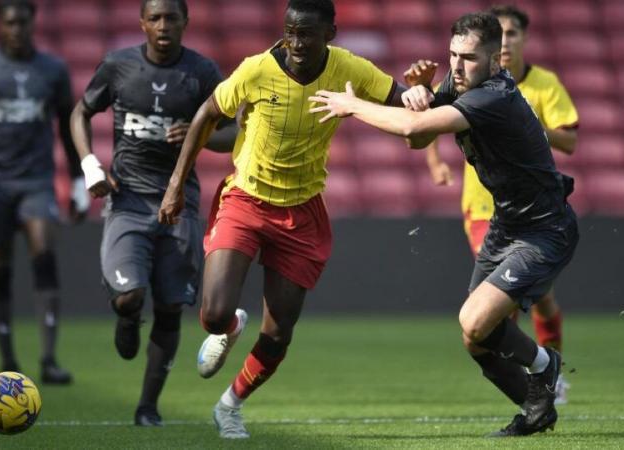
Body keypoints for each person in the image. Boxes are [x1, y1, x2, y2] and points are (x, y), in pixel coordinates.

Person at [158, 0, 434, 439]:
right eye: (290, 32)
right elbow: (208, 115)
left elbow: (402, 102)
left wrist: (421, 94)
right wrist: (175, 184)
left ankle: (230, 405)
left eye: (307, 33)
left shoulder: (349, 68)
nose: (297, 43)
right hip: (246, 198)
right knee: (212, 314)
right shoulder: (255, 70)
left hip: (301, 209)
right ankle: (228, 327)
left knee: (279, 332)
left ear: (331, 33)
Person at [309, 12, 578, 437]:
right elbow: (418, 138)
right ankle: (536, 408)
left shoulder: (494, 96)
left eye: (468, 58)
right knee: (476, 338)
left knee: (474, 321)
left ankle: (546, 366)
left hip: (544, 230)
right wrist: (421, 95)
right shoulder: (459, 83)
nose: (456, 65)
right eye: (452, 54)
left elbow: (414, 127)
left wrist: (354, 105)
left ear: (495, 62)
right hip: (507, 224)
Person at [70, 0, 236, 426]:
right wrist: (91, 166)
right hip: (128, 201)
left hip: (179, 203)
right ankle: (126, 316)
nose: (164, 26)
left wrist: (200, 136)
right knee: (131, 297)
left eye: (172, 18)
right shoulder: (119, 66)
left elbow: (236, 129)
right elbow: (80, 113)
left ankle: (148, 407)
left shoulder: (201, 73)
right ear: (143, 23)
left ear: (186, 23)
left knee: (168, 308)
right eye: (156, 18)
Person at [423, 4, 578, 404]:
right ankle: (537, 398)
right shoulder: (461, 83)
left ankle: (546, 371)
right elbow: (422, 131)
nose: (507, 41)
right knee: (481, 324)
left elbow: (570, 140)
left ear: (519, 41)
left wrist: (521, 122)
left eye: (512, 34)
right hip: (486, 210)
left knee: (510, 309)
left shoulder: (535, 86)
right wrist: (434, 154)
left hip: (537, 218)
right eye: (502, 33)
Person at [0, 0, 88, 384]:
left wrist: (80, 179)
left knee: (43, 253)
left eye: (23, 22)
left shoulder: (51, 70)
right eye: (10, 23)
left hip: (37, 180)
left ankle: (49, 360)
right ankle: (8, 359)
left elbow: (69, 127)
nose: (17, 29)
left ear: (33, 23)